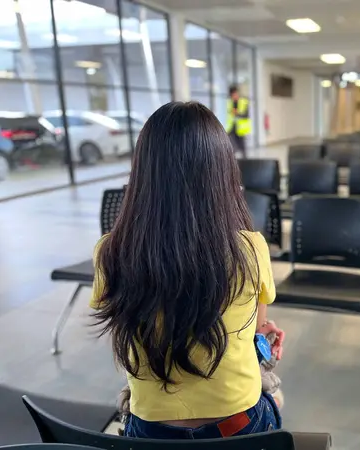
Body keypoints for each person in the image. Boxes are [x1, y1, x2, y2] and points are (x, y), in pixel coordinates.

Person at [90, 101, 285, 440]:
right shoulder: (250, 249)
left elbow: (132, 335)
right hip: (235, 429)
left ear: (142, 174)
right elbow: (254, 335)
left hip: (150, 431)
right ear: (222, 174)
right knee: (276, 394)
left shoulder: (111, 251)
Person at [226, 86, 251, 158]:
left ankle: (245, 160)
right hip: (232, 128)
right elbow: (229, 115)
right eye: (233, 95)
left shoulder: (244, 102)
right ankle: (233, 161)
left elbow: (246, 115)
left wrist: (237, 113)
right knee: (231, 145)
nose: (234, 96)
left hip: (241, 128)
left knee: (242, 147)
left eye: (235, 94)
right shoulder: (229, 102)